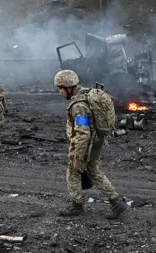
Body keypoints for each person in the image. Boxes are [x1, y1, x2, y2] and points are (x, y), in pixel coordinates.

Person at [54, 69, 128, 219]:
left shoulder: (78, 106)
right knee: (95, 172)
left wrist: (77, 156)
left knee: (73, 173)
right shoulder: (86, 94)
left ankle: (77, 206)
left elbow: (82, 133)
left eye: (61, 88)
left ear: (69, 87)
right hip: (95, 142)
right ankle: (116, 202)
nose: (60, 91)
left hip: (85, 145)